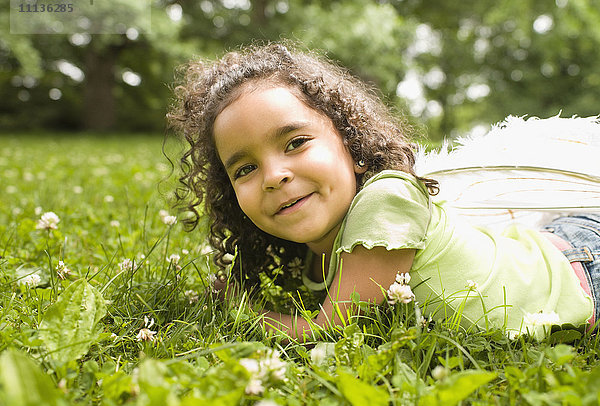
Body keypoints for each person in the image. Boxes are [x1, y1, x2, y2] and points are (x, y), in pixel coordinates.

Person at [167, 42, 597, 341]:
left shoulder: (385, 200)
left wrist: (241, 308)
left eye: (295, 143)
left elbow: (325, 333)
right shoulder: (314, 259)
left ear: (352, 147)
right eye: (245, 168)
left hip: (583, 271)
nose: (274, 175)